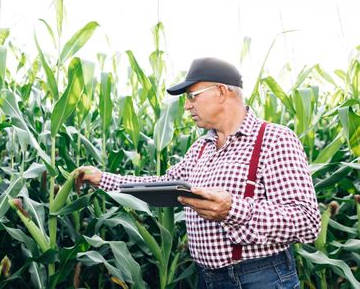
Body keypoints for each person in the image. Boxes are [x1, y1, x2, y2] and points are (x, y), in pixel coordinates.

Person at [76, 57, 321, 288]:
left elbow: (307, 221)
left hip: (260, 277)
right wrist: (102, 178)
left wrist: (233, 209)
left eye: (192, 96)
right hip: (207, 277)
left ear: (223, 92)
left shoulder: (274, 139)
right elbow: (162, 184)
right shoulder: (201, 147)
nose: (187, 106)